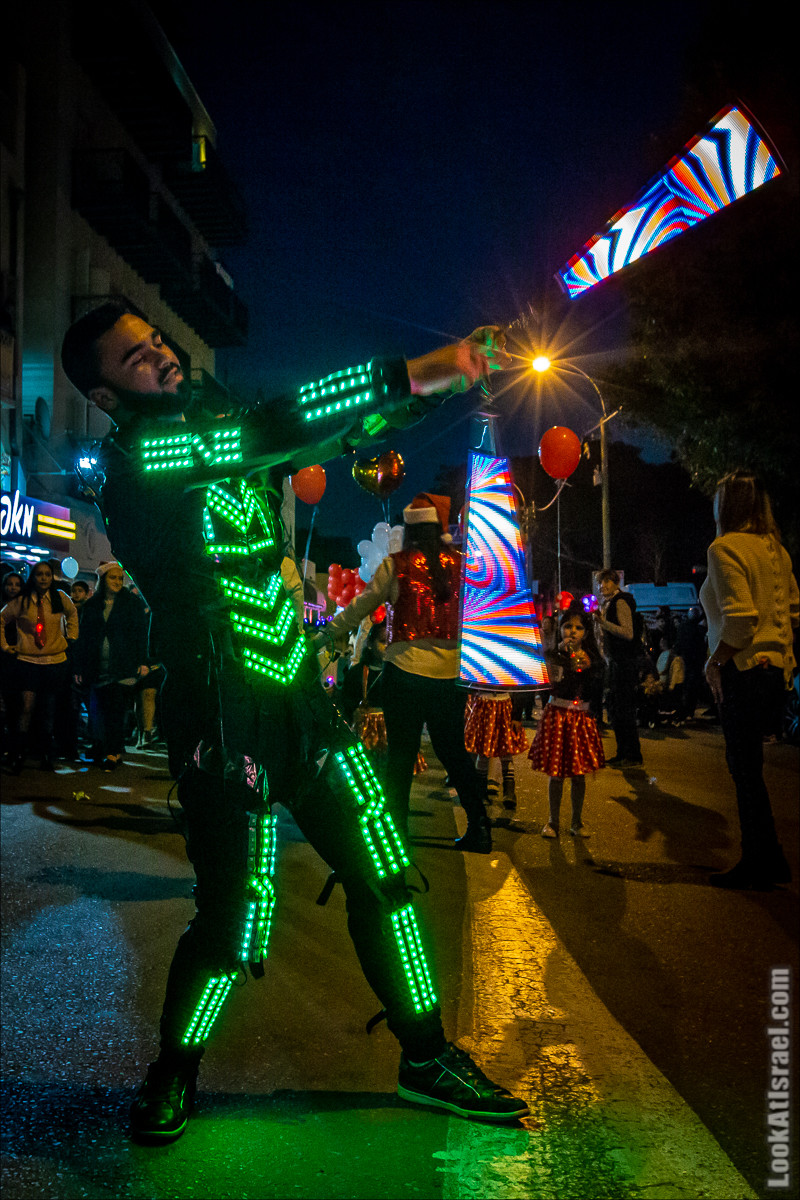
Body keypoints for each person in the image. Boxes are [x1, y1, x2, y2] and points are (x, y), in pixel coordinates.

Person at [60, 304, 526, 1144]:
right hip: (221, 725)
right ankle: (176, 1067)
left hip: (306, 710)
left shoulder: (221, 440)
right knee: (230, 920)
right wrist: (423, 368)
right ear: (105, 394)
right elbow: (278, 425)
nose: (163, 356)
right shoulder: (145, 464)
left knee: (385, 877)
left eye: (158, 339)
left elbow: (326, 435)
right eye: (137, 358)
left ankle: (425, 1056)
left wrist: (424, 394)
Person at [320, 492, 493, 853]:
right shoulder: (463, 566)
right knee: (455, 755)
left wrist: (324, 634)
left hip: (404, 673)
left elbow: (359, 609)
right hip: (449, 677)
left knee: (400, 756)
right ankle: (480, 827)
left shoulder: (394, 565)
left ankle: (396, 837)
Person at [699, 471, 798, 889]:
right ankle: (769, 855)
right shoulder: (776, 549)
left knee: (744, 770)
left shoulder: (725, 548)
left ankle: (758, 858)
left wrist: (714, 662)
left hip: (742, 670)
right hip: (773, 670)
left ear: (726, 505)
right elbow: (792, 612)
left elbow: (740, 619)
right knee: (752, 769)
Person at [529, 605, 605, 837]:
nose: (572, 631)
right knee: (557, 772)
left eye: (579, 627)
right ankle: (553, 821)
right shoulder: (553, 654)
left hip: (581, 717)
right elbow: (545, 682)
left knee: (578, 773)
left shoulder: (594, 659)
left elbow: (597, 691)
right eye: (568, 626)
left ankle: (576, 822)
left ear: (587, 632)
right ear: (560, 628)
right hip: (558, 714)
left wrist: (588, 669)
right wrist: (561, 657)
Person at [0, 560, 78, 771]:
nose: (43, 578)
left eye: (47, 574)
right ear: (33, 577)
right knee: (27, 707)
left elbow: (72, 614)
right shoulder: (23, 600)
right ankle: (19, 752)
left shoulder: (60, 598)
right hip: (27, 661)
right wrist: (6, 646)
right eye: (39, 574)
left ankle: (46, 754)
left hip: (54, 661)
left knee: (48, 709)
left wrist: (71, 637)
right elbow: (2, 618)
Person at [74, 561, 150, 770]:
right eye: (112, 577)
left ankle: (113, 752)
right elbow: (84, 638)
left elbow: (140, 634)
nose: (117, 582)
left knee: (116, 709)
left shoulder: (131, 604)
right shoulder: (92, 605)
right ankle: (101, 746)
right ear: (103, 580)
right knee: (98, 710)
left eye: (120, 578)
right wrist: (79, 666)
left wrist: (143, 661)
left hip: (123, 665)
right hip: (97, 666)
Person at [594, 568, 643, 766]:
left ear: (616, 583)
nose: (602, 586)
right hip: (614, 662)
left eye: (607, 582)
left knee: (624, 710)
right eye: (600, 582)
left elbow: (628, 632)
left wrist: (603, 623)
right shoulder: (608, 603)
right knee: (615, 709)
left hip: (624, 663)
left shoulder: (620, 601)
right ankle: (623, 752)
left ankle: (632, 755)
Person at [464, 690, 529, 809]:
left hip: (504, 704)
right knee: (483, 751)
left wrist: (516, 715)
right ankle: (481, 791)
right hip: (483, 704)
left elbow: (520, 689)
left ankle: (509, 792)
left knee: (506, 750)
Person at [0, 569, 25, 762]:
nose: (13, 588)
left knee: (14, 707)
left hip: (18, 661)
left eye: (17, 584)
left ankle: (14, 749)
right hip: (4, 659)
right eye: (10, 584)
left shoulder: (26, 608)